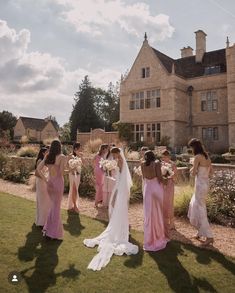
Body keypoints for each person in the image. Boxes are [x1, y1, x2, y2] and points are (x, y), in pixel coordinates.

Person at [83, 147, 138, 271]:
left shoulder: (119, 161)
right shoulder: (121, 161)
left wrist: (117, 188)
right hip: (120, 187)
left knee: (117, 208)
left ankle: (121, 229)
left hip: (120, 188)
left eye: (113, 154)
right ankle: (123, 228)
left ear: (116, 153)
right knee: (119, 209)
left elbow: (121, 178)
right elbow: (120, 176)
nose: (112, 156)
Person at [37, 140, 67, 240]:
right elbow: (62, 173)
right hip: (58, 184)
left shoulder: (47, 156)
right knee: (56, 208)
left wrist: (46, 180)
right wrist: (70, 168)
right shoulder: (62, 157)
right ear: (59, 147)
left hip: (49, 184)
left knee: (53, 207)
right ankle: (51, 233)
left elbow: (38, 169)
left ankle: (47, 229)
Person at [187, 138, 214, 246]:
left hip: (199, 186)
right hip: (205, 184)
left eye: (191, 147)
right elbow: (211, 172)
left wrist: (191, 169)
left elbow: (193, 174)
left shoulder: (197, 157)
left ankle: (209, 236)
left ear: (194, 147)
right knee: (195, 205)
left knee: (201, 209)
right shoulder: (207, 156)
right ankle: (199, 232)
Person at [141, 150, 168, 251]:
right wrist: (167, 179)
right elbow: (160, 178)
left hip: (147, 188)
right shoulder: (156, 163)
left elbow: (144, 177)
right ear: (153, 156)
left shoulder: (142, 164)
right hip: (156, 188)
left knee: (149, 213)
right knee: (157, 212)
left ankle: (148, 239)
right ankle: (158, 237)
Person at [161, 149, 178, 236]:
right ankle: (164, 222)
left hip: (170, 185)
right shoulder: (161, 164)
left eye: (165, 157)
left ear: (169, 156)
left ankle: (172, 223)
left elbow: (175, 175)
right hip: (162, 185)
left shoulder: (172, 164)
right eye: (163, 157)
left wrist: (169, 176)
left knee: (170, 203)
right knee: (163, 203)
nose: (164, 158)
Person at [35, 146, 51, 228]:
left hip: (45, 182)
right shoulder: (40, 161)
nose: (48, 153)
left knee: (45, 202)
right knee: (41, 202)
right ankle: (40, 221)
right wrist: (45, 179)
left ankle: (44, 220)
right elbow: (37, 173)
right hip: (41, 182)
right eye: (46, 152)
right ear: (43, 153)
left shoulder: (45, 161)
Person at [67, 142, 82, 213]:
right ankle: (75, 206)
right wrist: (71, 169)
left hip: (78, 174)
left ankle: (72, 205)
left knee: (76, 189)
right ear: (76, 148)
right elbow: (67, 165)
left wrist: (79, 156)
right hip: (72, 174)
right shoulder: (70, 155)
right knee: (73, 189)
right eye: (79, 147)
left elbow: (83, 164)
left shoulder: (80, 155)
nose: (80, 149)